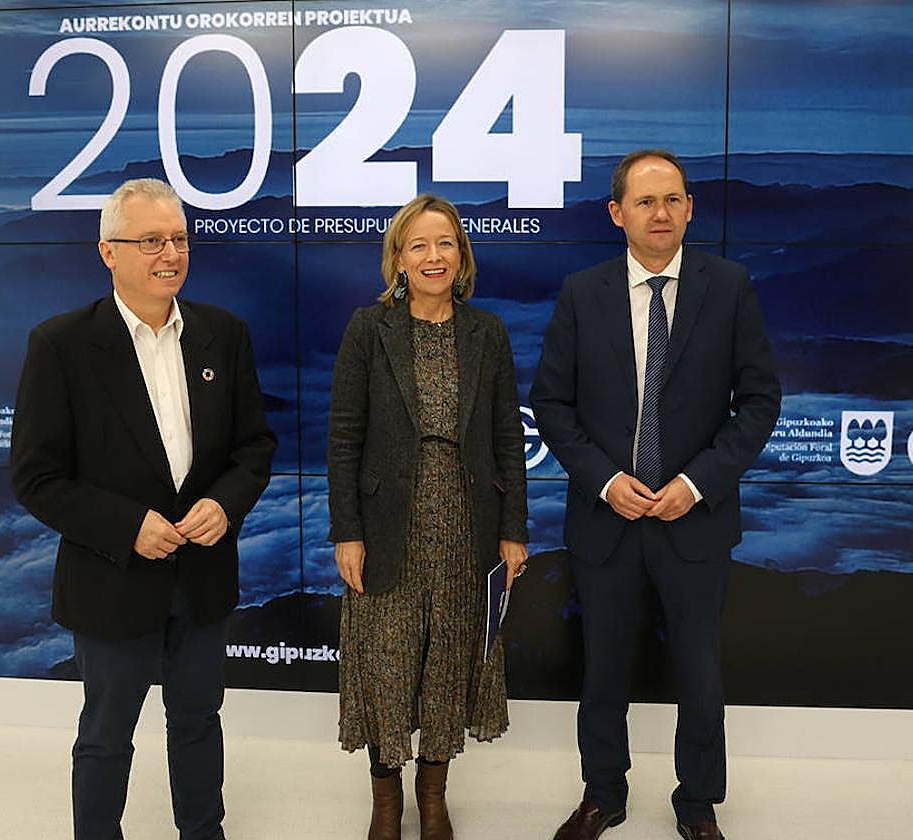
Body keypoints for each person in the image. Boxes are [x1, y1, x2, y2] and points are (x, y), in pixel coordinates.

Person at [9, 178, 276, 840]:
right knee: (105, 735)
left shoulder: (223, 334)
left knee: (197, 721)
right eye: (151, 239)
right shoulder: (61, 346)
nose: (170, 253)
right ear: (108, 251)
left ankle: (202, 833)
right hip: (111, 581)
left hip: (203, 578)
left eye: (179, 238)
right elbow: (37, 477)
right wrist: (128, 527)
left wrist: (226, 503)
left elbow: (255, 447)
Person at [530, 150, 781, 840]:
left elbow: (759, 403)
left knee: (699, 677)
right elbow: (551, 404)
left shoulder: (729, 287)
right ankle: (602, 794)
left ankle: (697, 806)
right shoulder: (583, 293)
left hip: (694, 521)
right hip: (608, 520)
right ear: (618, 215)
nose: (660, 212)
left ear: (690, 207)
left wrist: (697, 483)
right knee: (604, 673)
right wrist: (607, 482)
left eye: (673, 199)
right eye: (645, 202)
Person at [328, 193, 530, 840]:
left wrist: (514, 529)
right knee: (388, 665)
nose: (433, 256)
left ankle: (433, 799)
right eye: (419, 245)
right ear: (398, 258)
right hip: (388, 525)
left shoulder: (487, 334)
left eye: (445, 244)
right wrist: (347, 531)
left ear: (461, 256)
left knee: (447, 663)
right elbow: (343, 436)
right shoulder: (369, 328)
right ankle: (387, 804)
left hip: (467, 526)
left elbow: (507, 439)